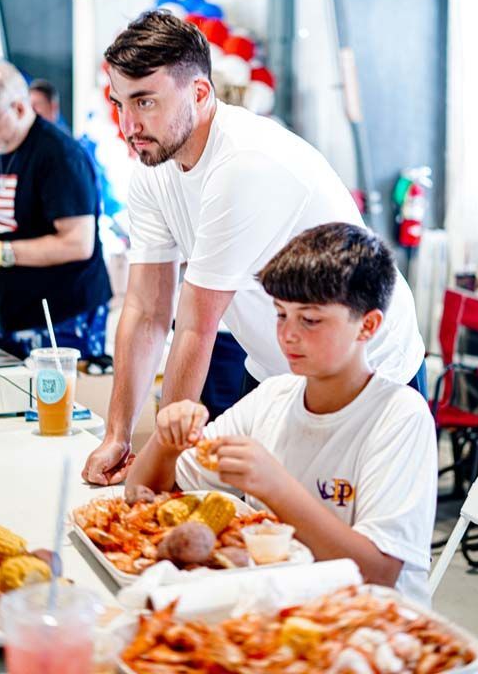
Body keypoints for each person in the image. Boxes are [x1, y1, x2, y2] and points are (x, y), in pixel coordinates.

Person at [82, 10, 425, 485]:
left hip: (367, 369)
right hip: (274, 373)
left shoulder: (243, 163)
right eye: (121, 104)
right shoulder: (152, 169)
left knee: (346, 544)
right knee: (257, 525)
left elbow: (196, 326)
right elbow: (145, 310)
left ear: (200, 93)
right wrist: (117, 436)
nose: (129, 124)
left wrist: (158, 462)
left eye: (145, 103)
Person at [126, 223, 437, 604]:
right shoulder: (274, 395)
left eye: (309, 319)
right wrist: (166, 441)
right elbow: (145, 496)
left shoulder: (399, 416)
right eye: (280, 315)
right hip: (277, 601)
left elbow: (378, 573)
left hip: (372, 623)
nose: (288, 335)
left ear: (367, 325)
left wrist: (275, 487)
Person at [0, 61, 112, 360]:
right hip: (17, 310)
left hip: (64, 315)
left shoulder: (60, 155)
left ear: (20, 109)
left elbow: (78, 243)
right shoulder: (4, 144)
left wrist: (3, 253)